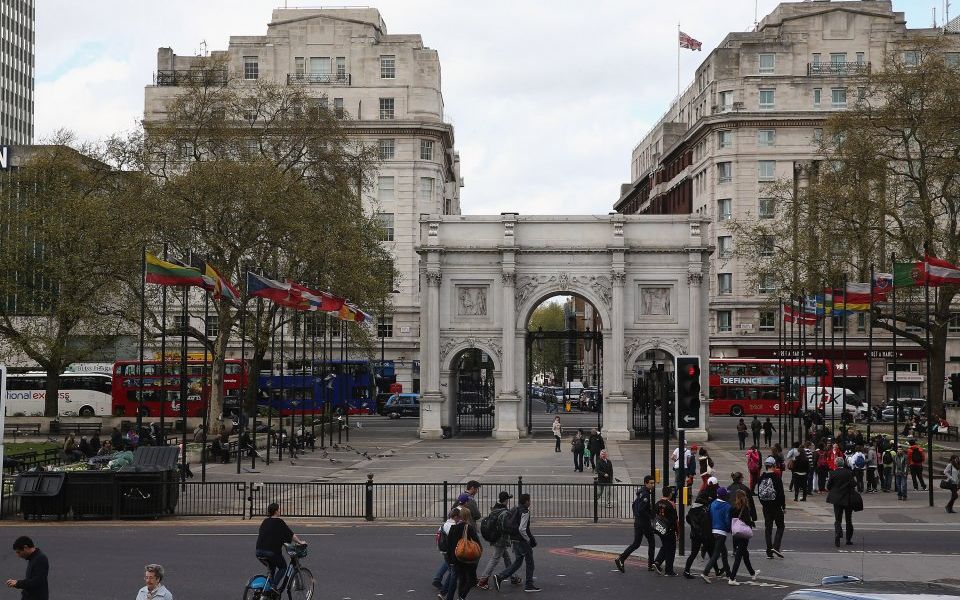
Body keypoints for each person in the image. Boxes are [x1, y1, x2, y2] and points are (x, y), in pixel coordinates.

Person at [493, 493, 539, 593]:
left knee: (518, 561)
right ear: (526, 502)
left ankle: (500, 577)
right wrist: (528, 539)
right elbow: (522, 529)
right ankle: (529, 585)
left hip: (514, 539)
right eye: (529, 500)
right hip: (522, 540)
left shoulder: (515, 509)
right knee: (530, 562)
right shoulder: (525, 512)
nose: (530, 502)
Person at [255, 503, 306, 594]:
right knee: (283, 567)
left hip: (259, 551)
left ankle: (268, 593)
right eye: (279, 509)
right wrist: (300, 542)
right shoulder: (279, 522)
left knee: (272, 568)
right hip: (271, 552)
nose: (280, 510)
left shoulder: (265, 521)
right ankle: (274, 586)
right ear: (276, 511)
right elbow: (291, 535)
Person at [477, 492, 520, 590]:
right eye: (508, 499)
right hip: (501, 539)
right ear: (506, 500)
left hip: (494, 537)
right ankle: (483, 580)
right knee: (495, 559)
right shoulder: (504, 512)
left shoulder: (495, 509)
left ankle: (513, 577)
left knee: (506, 557)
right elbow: (506, 527)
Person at [614, 476, 655, 573]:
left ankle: (621, 558)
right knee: (652, 542)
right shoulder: (645, 494)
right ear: (646, 483)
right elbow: (641, 509)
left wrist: (637, 517)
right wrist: (650, 516)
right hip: (644, 523)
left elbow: (634, 505)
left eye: (653, 483)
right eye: (651, 483)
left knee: (636, 544)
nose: (653, 485)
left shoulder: (641, 492)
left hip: (638, 522)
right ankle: (651, 565)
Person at [446, 506, 481, 600]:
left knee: (461, 578)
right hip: (468, 557)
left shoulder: (453, 528)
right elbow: (477, 542)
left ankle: (459, 596)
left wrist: (450, 560)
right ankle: (462, 596)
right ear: (468, 516)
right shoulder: (469, 527)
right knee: (471, 580)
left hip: (457, 557)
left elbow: (449, 545)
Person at [700, 486, 732, 583]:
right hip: (722, 532)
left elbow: (709, 517)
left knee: (724, 553)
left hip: (714, 531)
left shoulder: (712, 504)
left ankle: (728, 573)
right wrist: (729, 529)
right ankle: (705, 572)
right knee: (716, 553)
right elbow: (727, 520)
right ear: (724, 496)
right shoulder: (727, 506)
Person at [727, 490, 758, 585]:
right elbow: (747, 521)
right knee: (739, 557)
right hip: (743, 534)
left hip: (736, 533)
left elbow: (730, 519)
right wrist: (752, 523)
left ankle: (753, 573)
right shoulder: (744, 508)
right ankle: (732, 578)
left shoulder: (733, 508)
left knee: (745, 554)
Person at [757, 456, 785, 559]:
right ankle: (776, 547)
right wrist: (783, 506)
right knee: (780, 526)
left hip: (766, 507)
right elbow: (781, 494)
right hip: (776, 506)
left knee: (768, 529)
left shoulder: (761, 478)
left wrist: (763, 504)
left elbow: (759, 493)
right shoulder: (777, 478)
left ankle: (769, 551)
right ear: (773, 465)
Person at [826, 457, 858, 546]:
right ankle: (848, 539)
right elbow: (854, 484)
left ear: (836, 464)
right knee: (848, 519)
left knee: (838, 519)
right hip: (848, 498)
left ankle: (838, 533)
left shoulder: (833, 473)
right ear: (843, 463)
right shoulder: (849, 472)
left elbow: (828, 486)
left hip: (837, 498)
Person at [652, 486, 679, 577]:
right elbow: (675, 520)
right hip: (669, 529)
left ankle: (657, 562)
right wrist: (677, 532)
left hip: (660, 528)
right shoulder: (671, 504)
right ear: (670, 494)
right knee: (671, 549)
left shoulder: (657, 503)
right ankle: (669, 570)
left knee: (665, 546)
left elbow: (654, 516)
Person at [432, 507, 459, 596]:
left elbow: (438, 538)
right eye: (459, 517)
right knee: (453, 573)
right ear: (456, 517)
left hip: (444, 551)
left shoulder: (443, 525)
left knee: (451, 570)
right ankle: (444, 592)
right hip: (451, 552)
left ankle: (439, 582)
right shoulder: (453, 526)